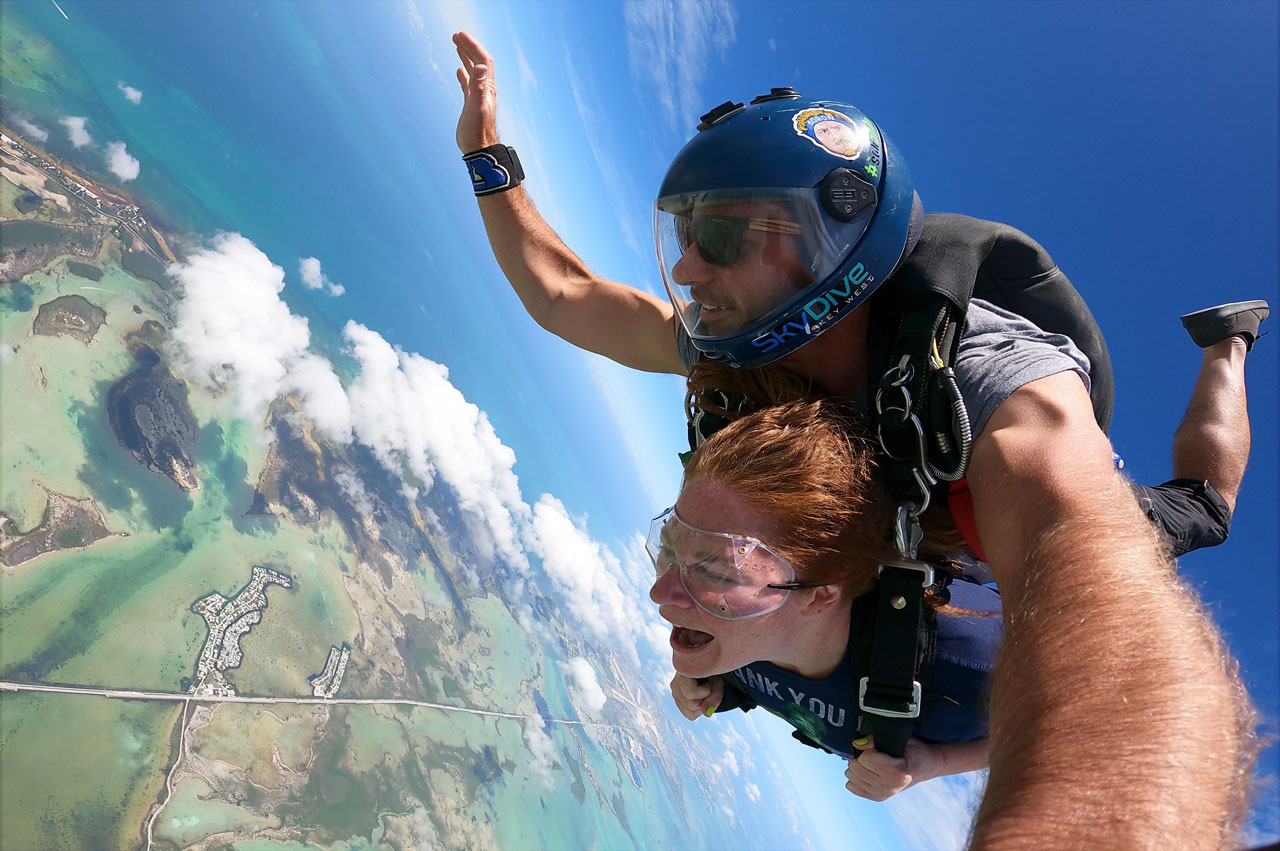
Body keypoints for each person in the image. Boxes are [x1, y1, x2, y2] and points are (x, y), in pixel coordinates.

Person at [453, 31, 1260, 847]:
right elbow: (565, 294)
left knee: (1201, 509)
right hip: (884, 515)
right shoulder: (745, 342)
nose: (691, 271)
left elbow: (1117, 668)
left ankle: (1230, 341)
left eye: (724, 238)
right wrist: (488, 155)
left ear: (829, 242)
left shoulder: (1002, 388)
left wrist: (953, 773)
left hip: (974, 496)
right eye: (686, 235)